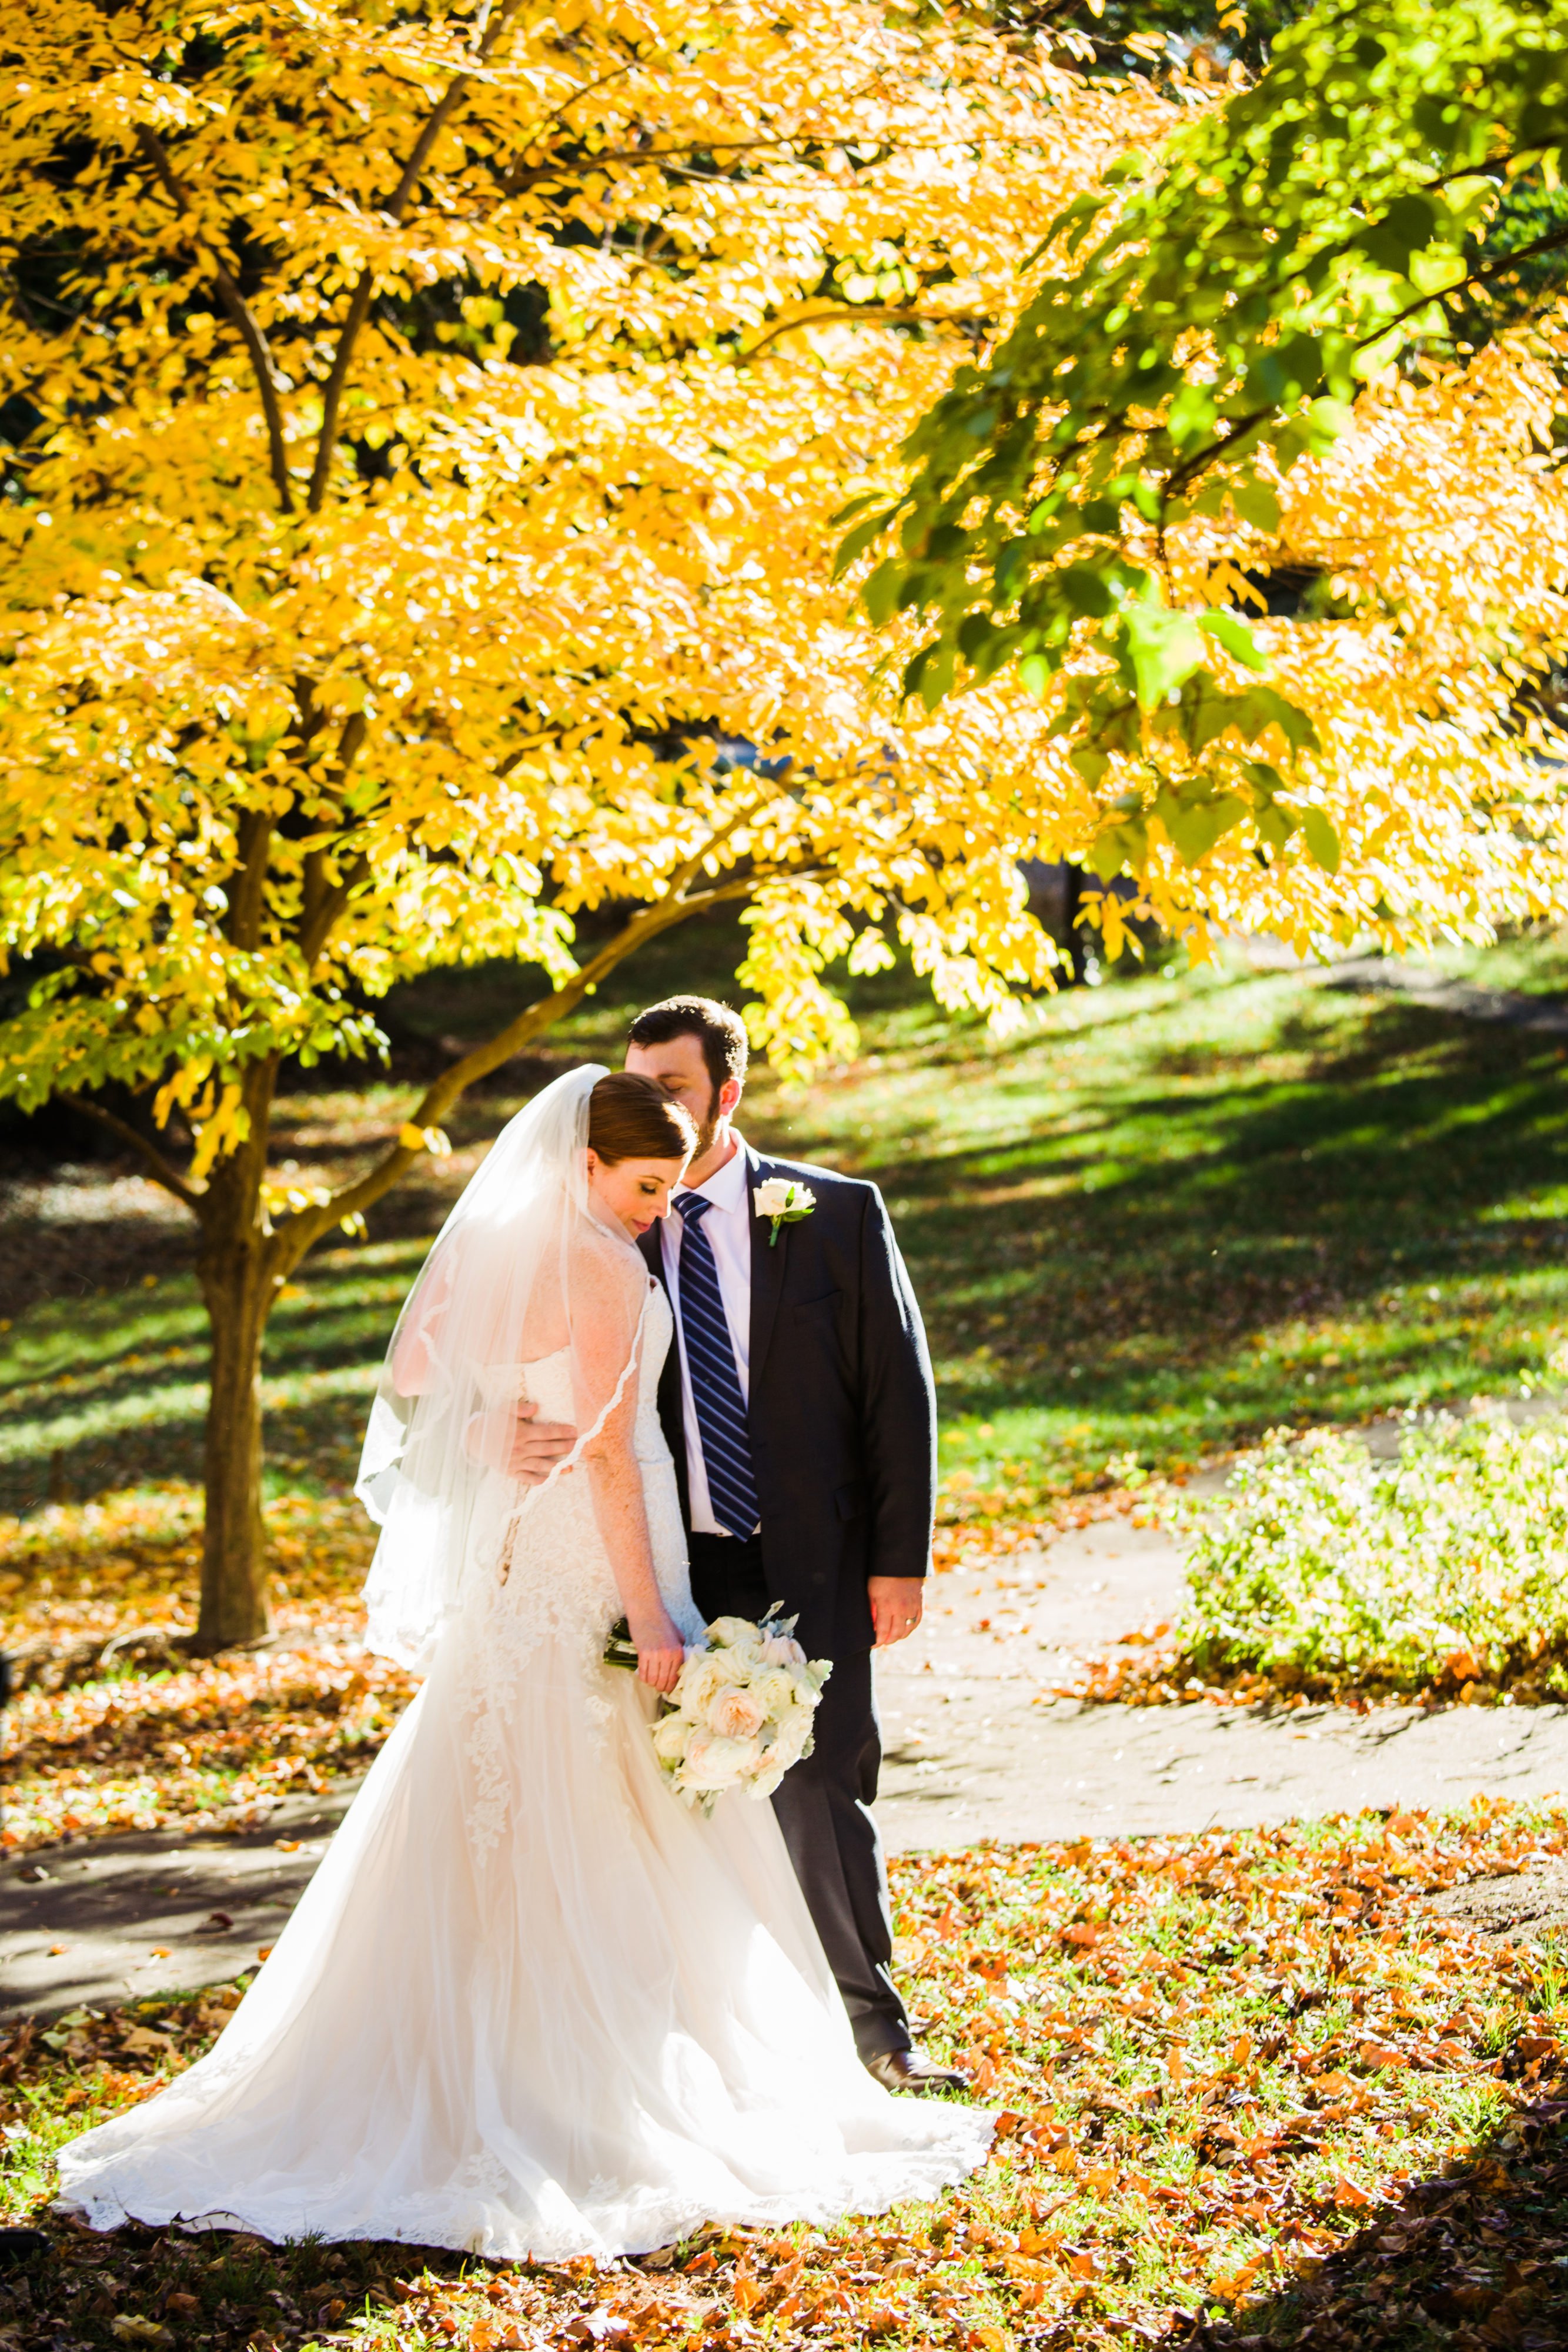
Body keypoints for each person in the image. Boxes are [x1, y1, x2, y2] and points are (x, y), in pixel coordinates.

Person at [54, 1069, 989, 2257]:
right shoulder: (597, 1262)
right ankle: (580, 2084)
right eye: (646, 1185)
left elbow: (410, 1370)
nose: (659, 1208)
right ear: (586, 1164)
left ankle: (494, 2058)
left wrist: (485, 1411)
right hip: (591, 1558)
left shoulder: (508, 1240)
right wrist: (654, 1617)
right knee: (594, 1805)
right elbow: (608, 1460)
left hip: (518, 1564)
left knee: (510, 1805)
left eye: (668, 1186)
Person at [509, 1000, 963, 2095]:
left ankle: (875, 2030)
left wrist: (900, 1562)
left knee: (824, 1790)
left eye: (671, 1084)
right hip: (673, 1569)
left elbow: (898, 1396)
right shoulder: (607, 1231)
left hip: (816, 1560)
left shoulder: (837, 1215)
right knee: (687, 1812)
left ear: (729, 1091)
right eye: (637, 1086)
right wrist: (505, 1431)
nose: (652, 1105)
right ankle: (726, 2044)